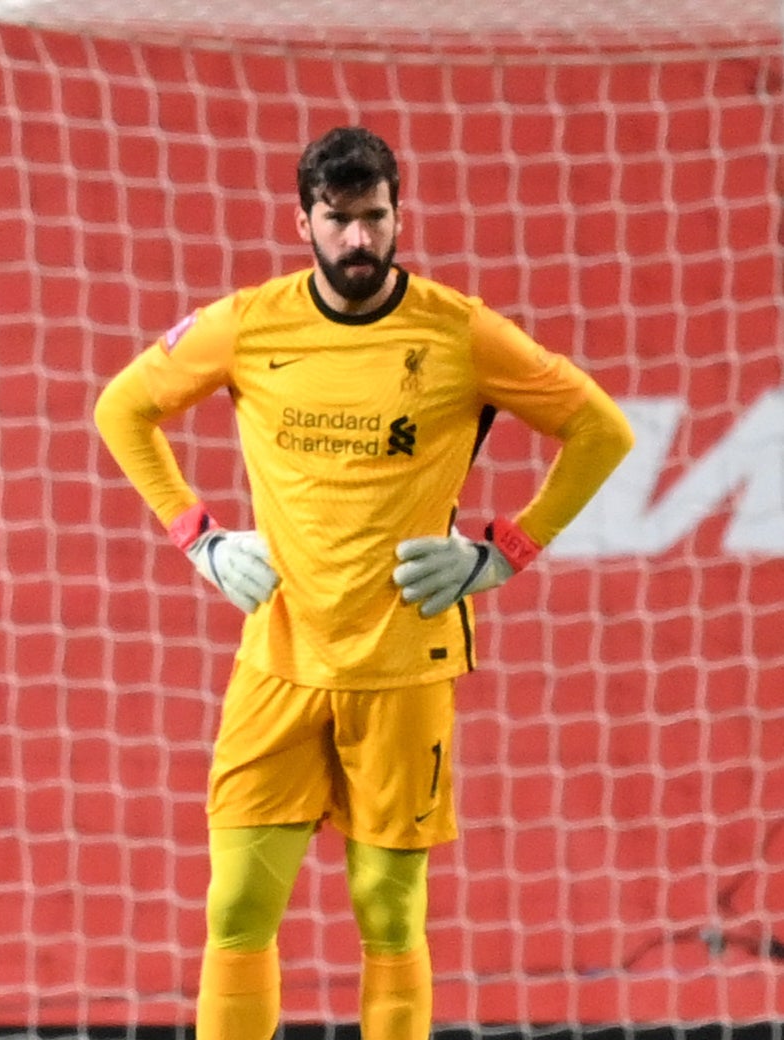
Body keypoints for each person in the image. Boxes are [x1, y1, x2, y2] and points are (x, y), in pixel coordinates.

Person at [93, 126, 635, 1040]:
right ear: (302, 220)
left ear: (398, 216)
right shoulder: (250, 324)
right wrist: (199, 536)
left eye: (374, 219)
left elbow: (601, 429)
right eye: (338, 221)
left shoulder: (460, 333)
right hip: (280, 660)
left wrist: (506, 550)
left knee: (388, 913)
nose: (358, 241)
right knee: (235, 911)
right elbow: (123, 408)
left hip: (404, 663)